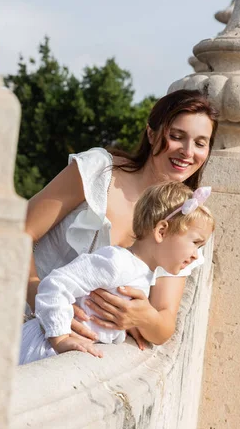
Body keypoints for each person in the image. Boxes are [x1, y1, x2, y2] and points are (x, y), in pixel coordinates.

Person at [25, 89, 218, 350]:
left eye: (200, 143)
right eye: (176, 136)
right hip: (16, 321)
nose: (187, 151)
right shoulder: (99, 172)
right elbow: (18, 232)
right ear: (151, 134)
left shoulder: (183, 219)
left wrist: (140, 316)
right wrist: (44, 300)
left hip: (74, 354)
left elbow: (163, 324)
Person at [19, 182, 214, 364]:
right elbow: (56, 284)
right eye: (195, 243)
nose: (196, 256)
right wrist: (60, 338)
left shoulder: (143, 275)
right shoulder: (118, 262)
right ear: (161, 231)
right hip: (42, 348)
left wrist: (124, 330)